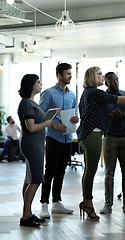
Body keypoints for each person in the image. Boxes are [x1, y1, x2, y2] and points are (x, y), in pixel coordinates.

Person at [77, 66, 125, 221]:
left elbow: (83, 112)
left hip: (95, 134)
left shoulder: (87, 93)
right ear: (95, 78)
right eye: (100, 74)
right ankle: (89, 204)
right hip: (96, 134)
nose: (102, 76)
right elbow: (119, 100)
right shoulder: (95, 93)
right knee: (93, 171)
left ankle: (89, 203)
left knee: (92, 171)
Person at [39, 63, 79, 218]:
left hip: (68, 138)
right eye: (67, 73)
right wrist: (55, 124)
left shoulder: (72, 95)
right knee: (49, 171)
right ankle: (44, 204)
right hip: (53, 137)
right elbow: (41, 115)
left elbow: (74, 114)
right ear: (59, 75)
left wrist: (75, 119)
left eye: (71, 73)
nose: (70, 76)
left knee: (61, 172)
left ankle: (56, 202)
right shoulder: (48, 93)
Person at [99, 72, 125, 215]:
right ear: (107, 83)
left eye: (117, 79)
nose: (116, 82)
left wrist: (124, 114)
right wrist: (109, 116)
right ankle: (108, 205)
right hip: (109, 138)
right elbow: (97, 118)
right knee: (109, 173)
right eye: (112, 81)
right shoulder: (102, 98)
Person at [18, 74, 52, 227]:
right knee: (37, 179)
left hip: (35, 144)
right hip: (32, 144)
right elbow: (31, 127)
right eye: (38, 82)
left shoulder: (32, 103)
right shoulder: (26, 103)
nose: (41, 84)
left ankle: (28, 213)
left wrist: (48, 121)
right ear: (31, 85)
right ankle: (26, 217)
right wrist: (46, 123)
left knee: (29, 179)